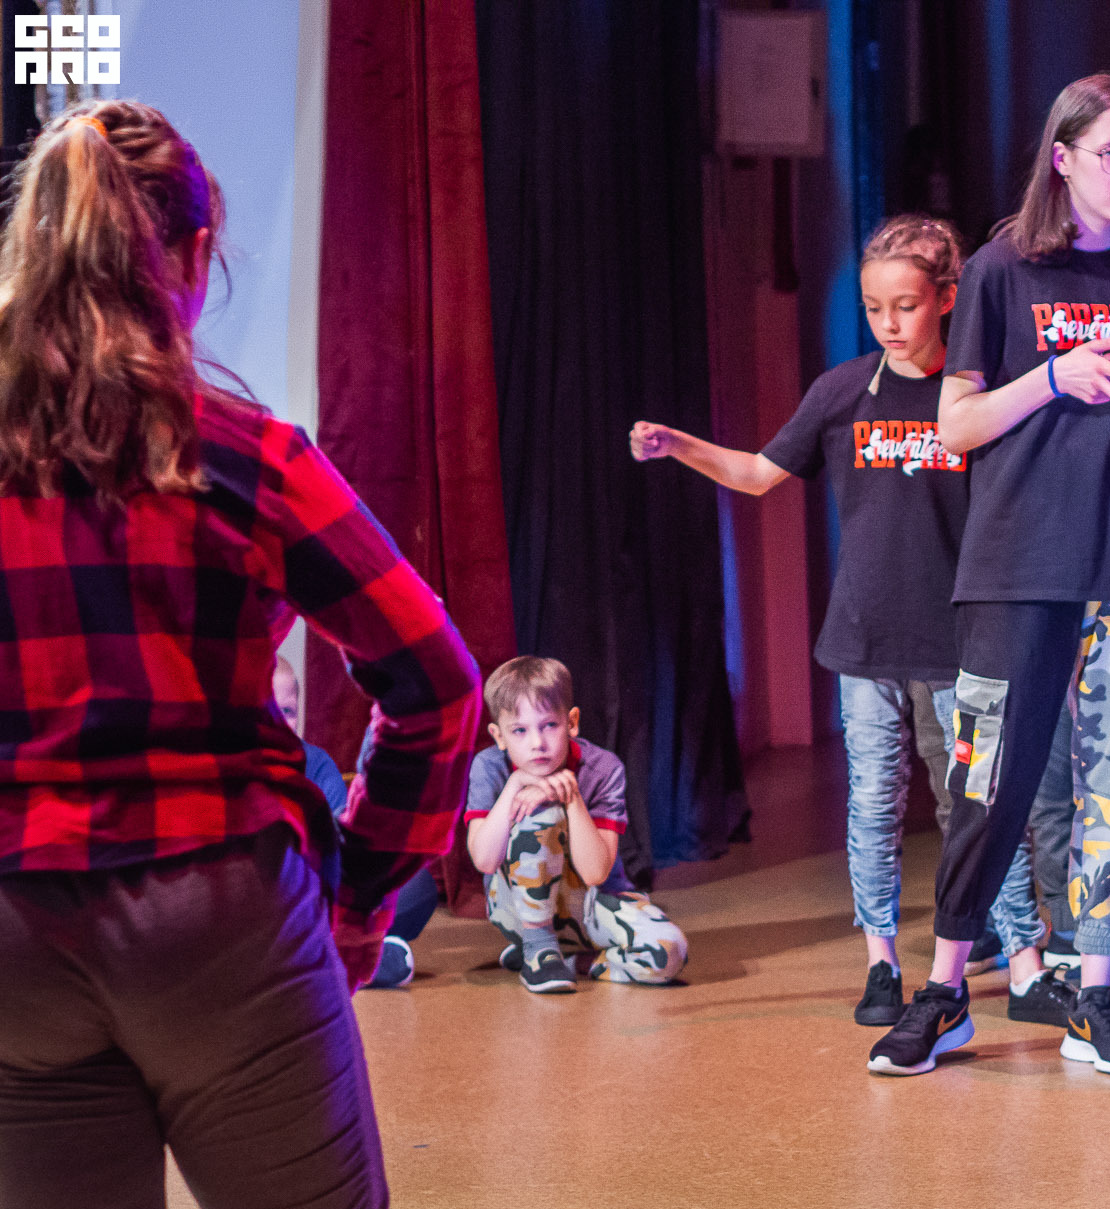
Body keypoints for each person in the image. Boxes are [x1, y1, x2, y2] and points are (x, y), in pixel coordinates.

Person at [0, 101, 482, 1209]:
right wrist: (361, 897)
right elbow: (437, 681)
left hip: (13, 935)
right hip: (218, 918)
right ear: (194, 254)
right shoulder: (246, 455)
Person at [629, 215, 1049, 1035]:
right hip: (866, 638)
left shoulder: (979, 396)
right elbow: (759, 473)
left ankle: (1025, 958)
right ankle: (881, 961)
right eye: (874, 308)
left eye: (905, 306)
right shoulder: (842, 391)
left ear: (947, 299)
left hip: (963, 639)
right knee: (873, 802)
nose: (889, 324)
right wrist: (680, 445)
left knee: (981, 801)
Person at [866, 73, 1110, 1078]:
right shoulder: (1005, 267)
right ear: (1062, 157)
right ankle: (944, 992)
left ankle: (1094, 994)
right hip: (1016, 568)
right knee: (985, 779)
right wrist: (1057, 375)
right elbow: (956, 423)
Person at [466, 657, 690, 995]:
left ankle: (571, 962)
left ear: (572, 722)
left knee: (669, 953)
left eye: (549, 725)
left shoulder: (603, 768)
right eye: (520, 731)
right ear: (499, 736)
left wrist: (571, 797)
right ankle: (538, 948)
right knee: (542, 817)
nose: (537, 743)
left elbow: (596, 873)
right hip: (516, 910)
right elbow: (484, 860)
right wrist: (514, 786)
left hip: (589, 906)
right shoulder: (489, 766)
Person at [274, 657, 438, 989]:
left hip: (316, 891)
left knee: (416, 885)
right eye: (265, 712)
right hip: (261, 901)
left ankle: (322, 954)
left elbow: (341, 844)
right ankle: (342, 959)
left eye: (288, 712)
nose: (278, 724)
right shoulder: (228, 770)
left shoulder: (317, 764)